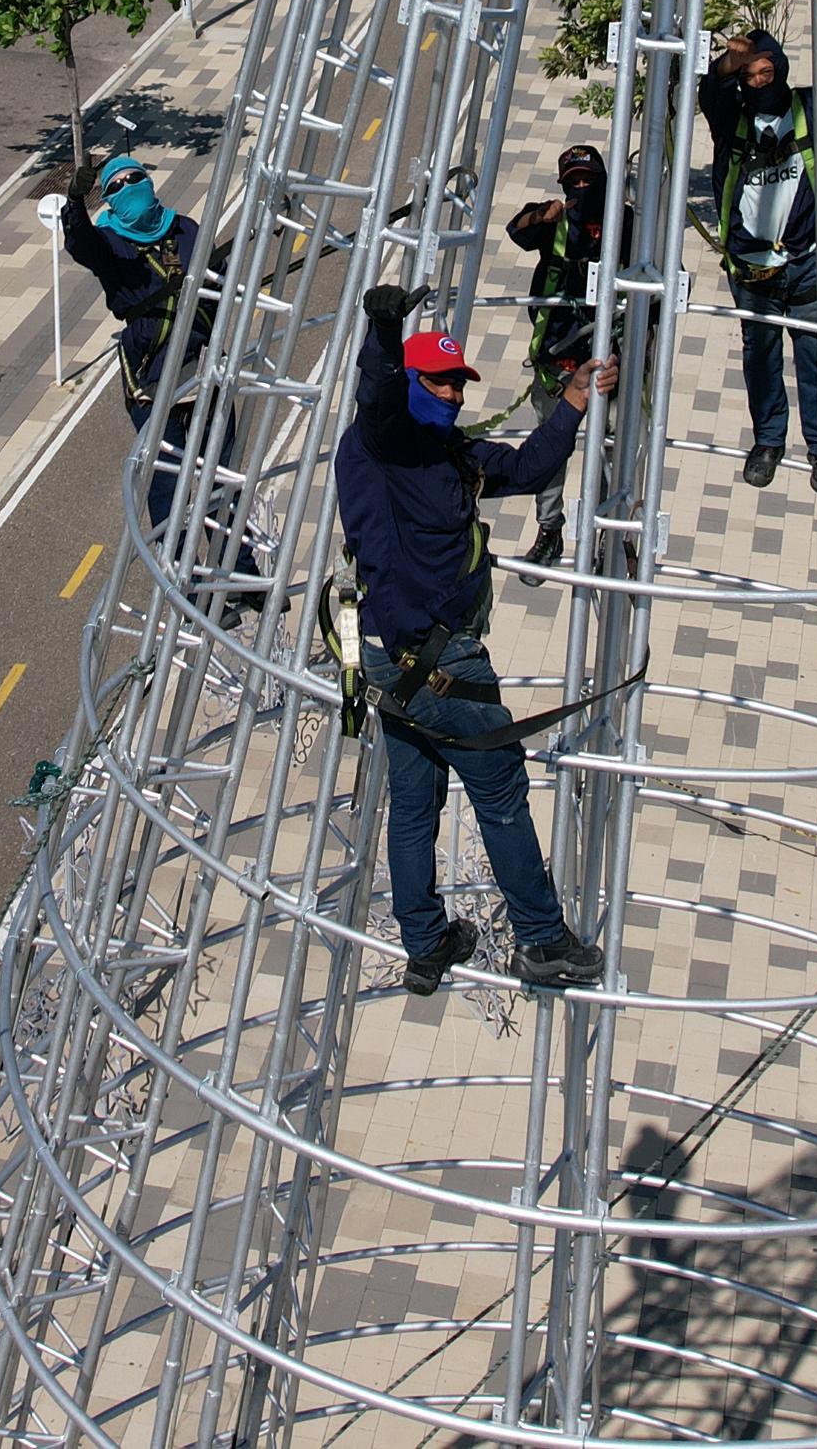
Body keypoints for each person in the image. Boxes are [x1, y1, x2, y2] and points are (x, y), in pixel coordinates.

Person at [340, 283, 614, 995]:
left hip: (394, 659)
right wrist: (383, 327)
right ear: (409, 381)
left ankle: (427, 943)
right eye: (439, 381)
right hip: (433, 662)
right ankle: (542, 939)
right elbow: (376, 392)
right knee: (499, 789)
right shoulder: (385, 443)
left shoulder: (445, 450)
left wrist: (575, 403)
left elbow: (523, 468)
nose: (455, 395)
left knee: (415, 798)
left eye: (459, 382)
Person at [699, 31, 817, 487]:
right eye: (748, 76)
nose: (758, 82)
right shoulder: (731, 117)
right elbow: (709, 91)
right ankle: (769, 441)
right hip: (752, 267)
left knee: (815, 356)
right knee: (762, 356)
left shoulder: (809, 110)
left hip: (804, 259)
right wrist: (727, 66)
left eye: (766, 72)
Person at [60, 152, 206, 526]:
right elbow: (80, 242)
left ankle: (244, 577)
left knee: (223, 484)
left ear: (149, 182)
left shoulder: (185, 230)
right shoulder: (110, 245)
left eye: (134, 178)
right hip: (151, 381)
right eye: (116, 186)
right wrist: (75, 201)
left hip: (204, 372)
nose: (128, 187)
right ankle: (174, 574)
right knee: (169, 487)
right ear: (108, 200)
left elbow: (220, 276)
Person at [500, 143, 607, 564]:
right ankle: (550, 530)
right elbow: (517, 230)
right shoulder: (555, 220)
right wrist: (543, 213)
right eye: (573, 182)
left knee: (611, 452)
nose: (581, 188)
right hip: (557, 360)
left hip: (604, 360)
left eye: (588, 180)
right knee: (550, 449)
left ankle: (609, 534)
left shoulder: (624, 222)